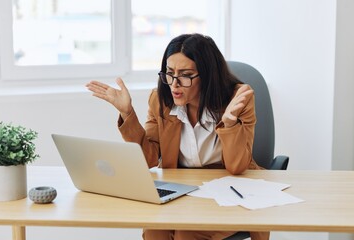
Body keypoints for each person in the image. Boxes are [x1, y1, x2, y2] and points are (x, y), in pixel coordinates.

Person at [86, 33, 269, 240]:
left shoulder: (238, 98)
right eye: (169, 73)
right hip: (183, 190)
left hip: (229, 190)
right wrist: (128, 114)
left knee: (186, 232)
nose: (174, 84)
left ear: (208, 75)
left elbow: (237, 166)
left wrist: (229, 123)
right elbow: (150, 158)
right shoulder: (160, 100)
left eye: (185, 75)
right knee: (155, 229)